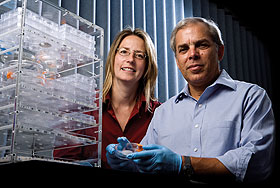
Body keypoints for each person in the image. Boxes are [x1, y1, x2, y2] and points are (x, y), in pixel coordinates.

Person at [106, 17, 275, 183]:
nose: (192, 54)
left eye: (202, 45)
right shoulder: (163, 112)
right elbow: (144, 165)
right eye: (183, 49)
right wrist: (126, 160)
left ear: (220, 51)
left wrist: (184, 164)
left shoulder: (251, 97)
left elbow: (257, 164)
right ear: (178, 62)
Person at [54, 27, 160, 168]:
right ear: (113, 58)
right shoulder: (83, 104)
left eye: (139, 55)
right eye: (124, 52)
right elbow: (64, 160)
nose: (130, 59)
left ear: (147, 66)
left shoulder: (159, 113)